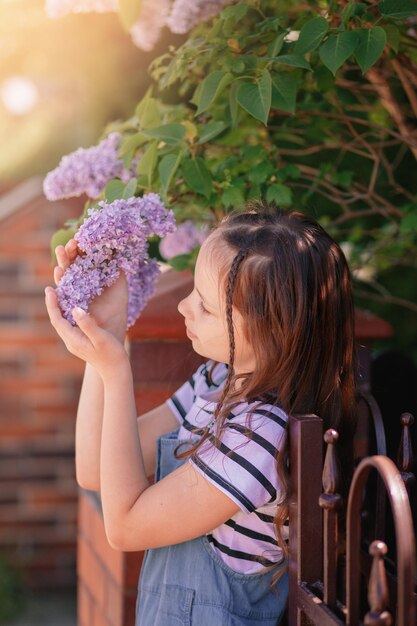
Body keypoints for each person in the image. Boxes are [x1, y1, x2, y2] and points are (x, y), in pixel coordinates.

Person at [45, 202, 357, 625]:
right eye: (192, 291)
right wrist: (108, 332)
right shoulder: (219, 379)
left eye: (206, 307)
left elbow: (125, 527)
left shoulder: (261, 435)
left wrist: (116, 370)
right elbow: (94, 470)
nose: (183, 308)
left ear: (274, 330)